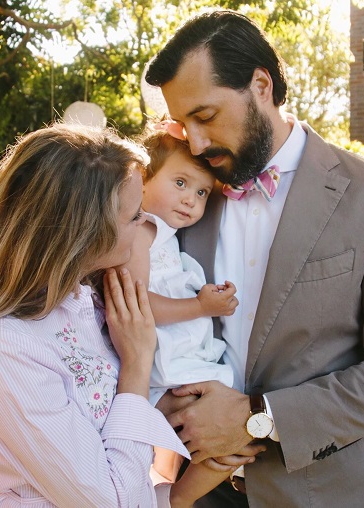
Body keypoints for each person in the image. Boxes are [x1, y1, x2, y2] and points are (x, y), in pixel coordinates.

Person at [144, 9, 364, 508]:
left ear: (260, 84)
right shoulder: (187, 195)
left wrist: (260, 416)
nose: (199, 142)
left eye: (205, 117)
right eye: (185, 125)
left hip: (319, 493)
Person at [0, 123, 197, 507]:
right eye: (135, 216)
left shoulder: (85, 300)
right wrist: (138, 363)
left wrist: (172, 412)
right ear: (85, 233)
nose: (146, 224)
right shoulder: (3, 347)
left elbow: (103, 418)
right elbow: (109, 500)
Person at [124, 123, 262, 504]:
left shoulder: (167, 237)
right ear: (143, 179)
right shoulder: (140, 232)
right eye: (180, 183)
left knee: (236, 439)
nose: (190, 200)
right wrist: (200, 306)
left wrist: (209, 296)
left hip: (190, 362)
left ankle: (179, 496)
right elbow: (139, 304)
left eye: (201, 192)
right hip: (170, 367)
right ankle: (177, 500)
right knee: (235, 441)